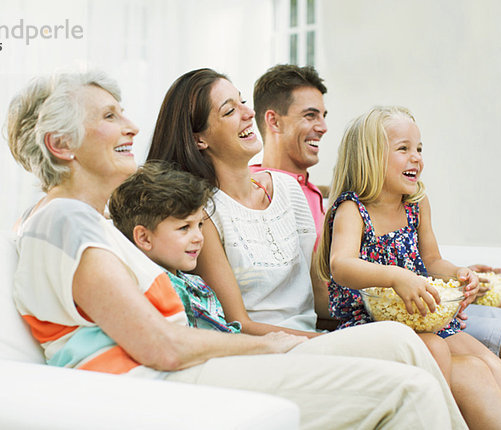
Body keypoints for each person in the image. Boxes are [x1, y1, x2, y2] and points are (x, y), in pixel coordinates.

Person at [7, 70, 466, 429]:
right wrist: (264, 345)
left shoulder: (89, 222)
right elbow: (163, 346)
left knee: (401, 342)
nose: (131, 125)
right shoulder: (61, 220)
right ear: (60, 145)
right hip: (164, 388)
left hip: (193, 368)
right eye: (110, 116)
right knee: (408, 389)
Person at [146, 68, 467, 428]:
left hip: (317, 335)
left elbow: (320, 294)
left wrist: (417, 306)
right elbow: (239, 323)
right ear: (200, 138)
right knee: (401, 343)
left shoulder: (287, 190)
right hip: (273, 350)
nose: (247, 112)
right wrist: (323, 340)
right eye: (228, 110)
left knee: (415, 339)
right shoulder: (203, 213)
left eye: (242, 102)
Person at [315, 105, 501, 428]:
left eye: (418, 148)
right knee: (447, 356)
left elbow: (431, 261)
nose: (416, 157)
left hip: (422, 314)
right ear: (369, 157)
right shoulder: (353, 209)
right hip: (372, 322)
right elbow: (341, 265)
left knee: (496, 368)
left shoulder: (416, 204)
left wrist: (459, 274)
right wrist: (397, 276)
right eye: (403, 149)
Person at [108, 161, 240, 333]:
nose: (199, 238)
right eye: (184, 228)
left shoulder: (196, 284)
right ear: (144, 238)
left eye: (199, 225)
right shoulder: (147, 292)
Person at [250, 64, 327, 248]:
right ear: (274, 121)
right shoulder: (249, 189)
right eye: (310, 115)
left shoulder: (314, 192)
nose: (323, 127)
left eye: (323, 116)